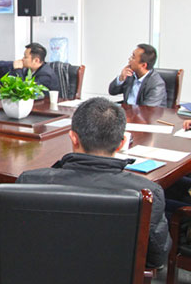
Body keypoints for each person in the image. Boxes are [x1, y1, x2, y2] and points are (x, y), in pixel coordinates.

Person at [16, 97, 171, 268]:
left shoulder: (29, 182)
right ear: (121, 143)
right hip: (113, 283)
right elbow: (156, 258)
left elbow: (13, 243)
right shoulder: (147, 193)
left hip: (39, 279)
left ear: (73, 138)